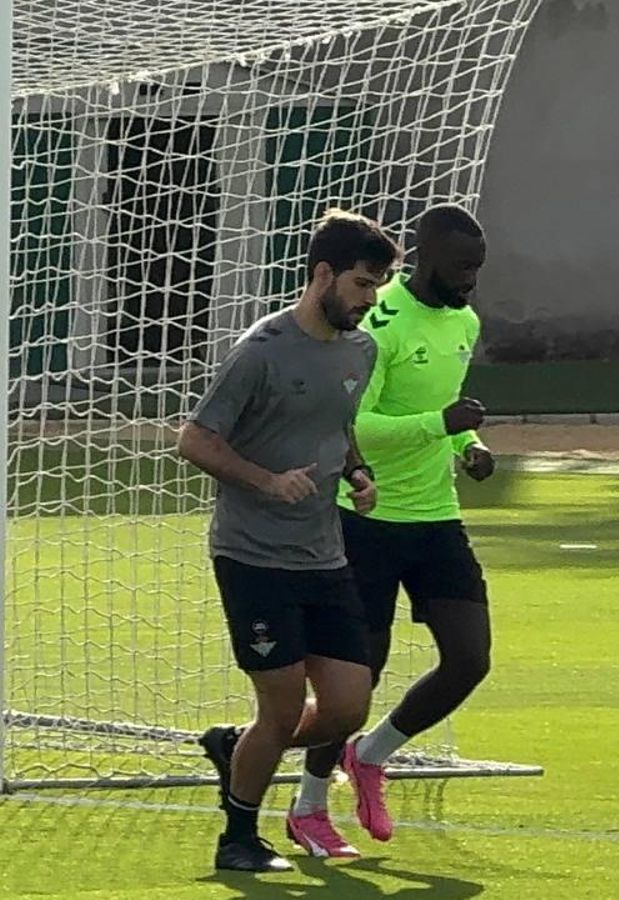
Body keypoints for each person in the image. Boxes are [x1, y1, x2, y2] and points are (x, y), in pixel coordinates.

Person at [182, 208, 399, 871]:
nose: (368, 302)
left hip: (322, 553)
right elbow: (194, 439)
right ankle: (238, 839)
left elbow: (337, 423)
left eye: (377, 289)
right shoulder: (261, 352)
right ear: (323, 275)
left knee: (346, 708)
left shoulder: (361, 352)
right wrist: (266, 481)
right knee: (278, 710)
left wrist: (357, 471)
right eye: (362, 286)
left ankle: (239, 748)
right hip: (254, 556)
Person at [290, 202, 495, 850]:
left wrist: (468, 450)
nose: (470, 280)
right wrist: (444, 427)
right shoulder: (381, 323)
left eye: (477, 270)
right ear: (426, 256)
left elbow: (440, 413)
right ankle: (310, 803)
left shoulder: (465, 320)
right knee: (359, 677)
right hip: (368, 519)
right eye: (461, 267)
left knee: (469, 658)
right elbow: (357, 424)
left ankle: (373, 755)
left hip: (436, 517)